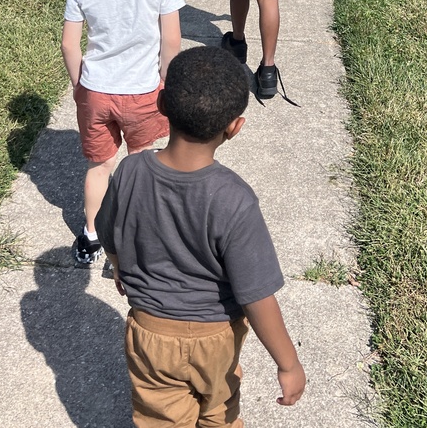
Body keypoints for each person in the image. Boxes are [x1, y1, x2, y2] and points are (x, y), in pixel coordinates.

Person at [95, 46, 306, 428]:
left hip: (150, 334)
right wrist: (288, 363)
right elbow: (257, 294)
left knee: (160, 417)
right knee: (219, 412)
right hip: (217, 338)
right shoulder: (234, 199)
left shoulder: (129, 172)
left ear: (161, 103)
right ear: (234, 127)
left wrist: (120, 268)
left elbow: (109, 232)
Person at [61, 0, 184, 266]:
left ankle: (92, 235)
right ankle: (141, 232)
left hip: (96, 90)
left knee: (100, 167)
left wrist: (80, 85)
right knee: (141, 161)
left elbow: (69, 45)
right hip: (143, 91)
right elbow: (172, 42)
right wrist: (167, 82)